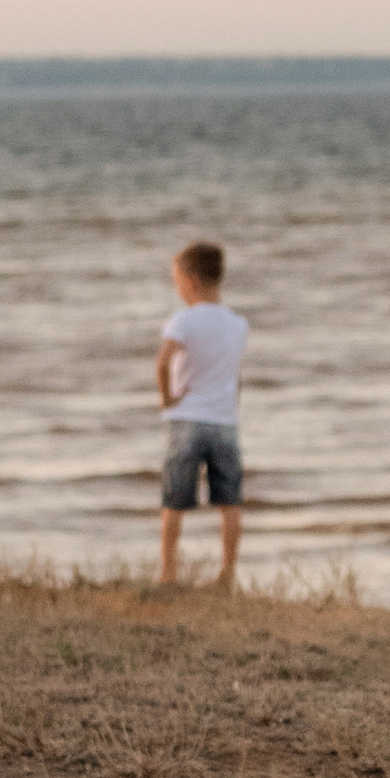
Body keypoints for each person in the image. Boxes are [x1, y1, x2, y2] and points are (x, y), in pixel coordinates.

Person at [157, 240, 248, 588]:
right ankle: (226, 574)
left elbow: (163, 362)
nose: (177, 288)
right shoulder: (237, 324)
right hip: (225, 421)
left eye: (177, 280)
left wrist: (167, 399)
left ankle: (168, 573)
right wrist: (230, 405)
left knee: (174, 500)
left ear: (190, 281)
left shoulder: (184, 320)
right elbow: (235, 376)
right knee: (229, 502)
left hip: (188, 418)